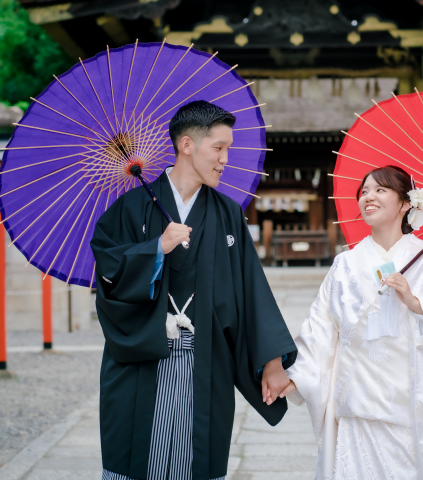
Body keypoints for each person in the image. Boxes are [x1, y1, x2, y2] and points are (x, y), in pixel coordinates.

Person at [91, 100, 296, 480]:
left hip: (207, 358)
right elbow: (108, 271)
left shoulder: (227, 212)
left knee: (197, 458)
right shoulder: (130, 208)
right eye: (218, 148)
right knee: (139, 457)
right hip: (143, 359)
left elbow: (251, 288)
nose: (224, 159)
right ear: (187, 145)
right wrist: (155, 248)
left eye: (227, 149)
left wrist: (271, 362)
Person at [280, 165, 423, 480]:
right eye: (364, 191)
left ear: (406, 203)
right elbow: (321, 327)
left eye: (381, 190)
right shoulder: (345, 264)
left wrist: (415, 302)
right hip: (357, 404)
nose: (368, 197)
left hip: (410, 406)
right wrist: (297, 377)